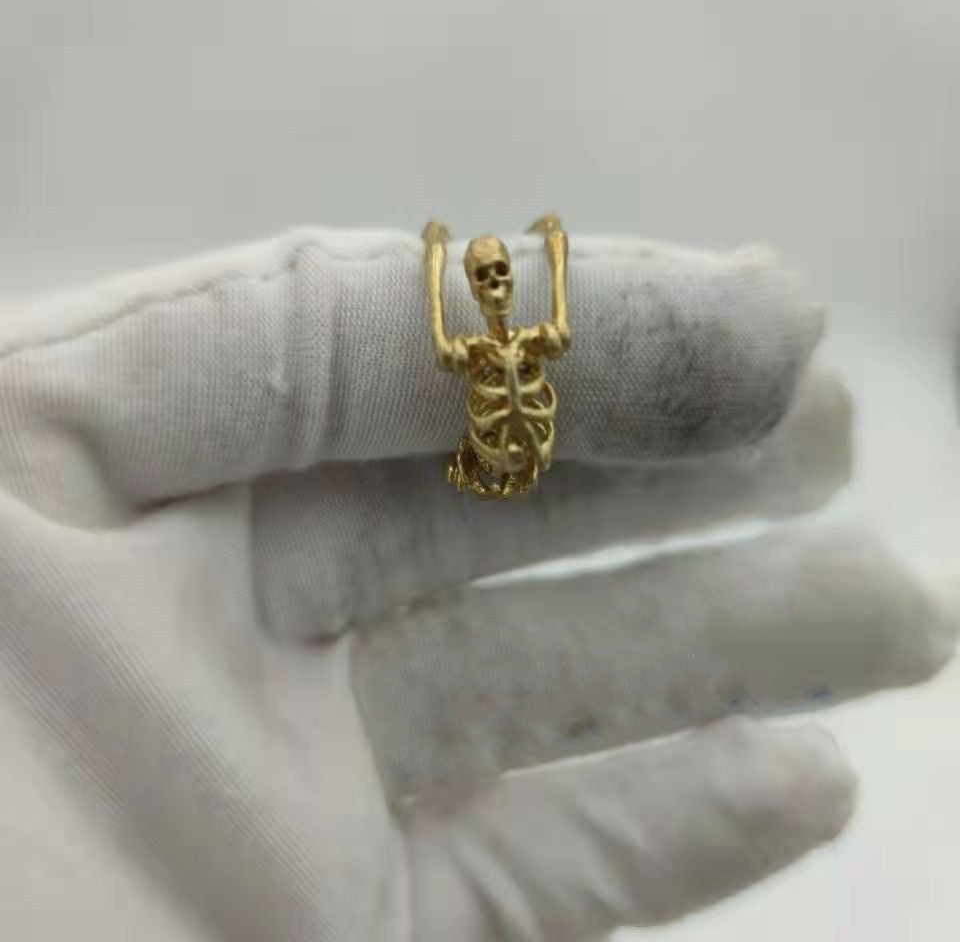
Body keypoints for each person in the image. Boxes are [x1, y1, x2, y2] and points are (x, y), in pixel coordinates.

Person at [0, 227, 955, 941]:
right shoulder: (482, 349)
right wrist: (446, 262)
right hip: (501, 442)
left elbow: (529, 332)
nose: (496, 291)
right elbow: (495, 333)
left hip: (514, 438)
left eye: (498, 281)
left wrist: (520, 255)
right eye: (489, 283)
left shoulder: (502, 345)